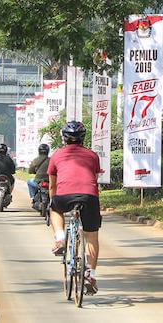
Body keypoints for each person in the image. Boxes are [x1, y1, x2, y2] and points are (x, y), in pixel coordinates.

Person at [48, 121, 102, 294]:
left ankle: (60, 239)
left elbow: (52, 185)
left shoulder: (56, 155)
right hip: (89, 197)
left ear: (64, 138)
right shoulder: (93, 155)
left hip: (64, 197)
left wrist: (53, 200)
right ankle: (90, 275)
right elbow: (94, 179)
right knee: (91, 236)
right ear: (82, 138)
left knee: (54, 208)